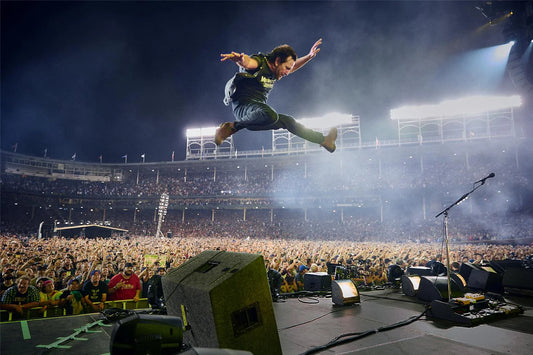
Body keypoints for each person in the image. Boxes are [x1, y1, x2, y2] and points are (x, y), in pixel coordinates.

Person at [218, 38, 338, 153]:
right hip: (244, 108)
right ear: (277, 61)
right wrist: (240, 60)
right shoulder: (261, 62)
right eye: (286, 68)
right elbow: (249, 62)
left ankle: (324, 141)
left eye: (289, 69)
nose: (287, 72)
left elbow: (293, 67)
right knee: (270, 115)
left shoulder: (276, 70)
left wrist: (309, 56)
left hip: (257, 115)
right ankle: (232, 127)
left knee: (288, 121)